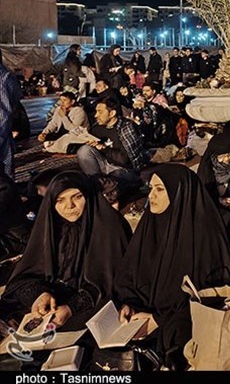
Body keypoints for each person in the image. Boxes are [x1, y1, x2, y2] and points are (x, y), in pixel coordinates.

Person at [113, 164, 230, 371]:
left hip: (186, 313)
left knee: (180, 333)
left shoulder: (204, 233)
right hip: (148, 314)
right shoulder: (149, 226)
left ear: (179, 192)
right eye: (150, 189)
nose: (151, 196)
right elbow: (131, 276)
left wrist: (158, 319)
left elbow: (210, 293)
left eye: (160, 189)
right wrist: (129, 304)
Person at [2, 171, 131, 332]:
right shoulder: (52, 227)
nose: (69, 206)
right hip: (54, 301)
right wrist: (39, 296)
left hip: (92, 302)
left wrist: (71, 308)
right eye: (60, 200)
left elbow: (108, 283)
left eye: (77, 197)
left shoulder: (109, 226)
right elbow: (27, 274)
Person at [76, 96, 149, 187]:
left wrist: (103, 148)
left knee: (117, 175)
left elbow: (125, 160)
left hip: (125, 169)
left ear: (112, 113)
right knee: (84, 150)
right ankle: (97, 182)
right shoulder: (97, 128)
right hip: (105, 164)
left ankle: (105, 186)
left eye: (100, 112)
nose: (96, 115)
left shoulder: (126, 128)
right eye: (96, 111)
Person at [0, 49, 23, 179]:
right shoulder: (7, 76)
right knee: (5, 156)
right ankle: (7, 186)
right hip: (3, 122)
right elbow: (16, 98)